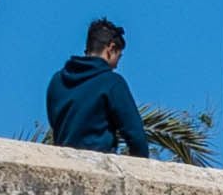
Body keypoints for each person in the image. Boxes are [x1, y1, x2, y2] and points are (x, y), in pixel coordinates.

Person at [45, 22, 153, 158]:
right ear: (111, 48)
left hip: (63, 162)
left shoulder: (57, 81)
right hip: (98, 163)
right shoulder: (111, 82)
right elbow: (135, 135)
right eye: (118, 57)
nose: (116, 66)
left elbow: (55, 123)